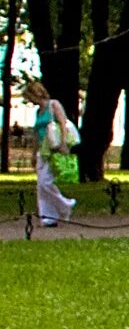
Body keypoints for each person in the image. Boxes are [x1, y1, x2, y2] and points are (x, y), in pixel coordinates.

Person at [23, 79, 77, 229]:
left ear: (36, 93)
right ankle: (48, 217)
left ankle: (66, 204)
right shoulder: (38, 112)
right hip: (42, 150)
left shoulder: (53, 105)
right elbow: (36, 134)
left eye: (30, 96)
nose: (29, 100)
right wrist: (33, 153)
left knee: (46, 182)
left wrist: (63, 143)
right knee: (40, 186)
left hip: (53, 148)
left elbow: (63, 123)